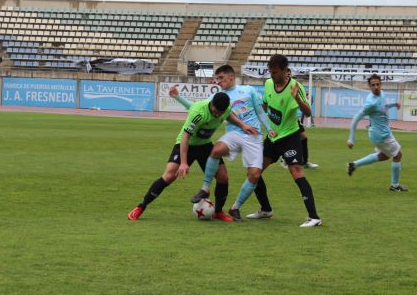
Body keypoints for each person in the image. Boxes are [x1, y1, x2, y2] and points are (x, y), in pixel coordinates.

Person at [172, 64, 276, 221]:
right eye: (216, 79)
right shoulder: (218, 97)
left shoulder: (248, 90)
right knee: (216, 150)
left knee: (254, 175)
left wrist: (269, 128)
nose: (218, 81)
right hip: (234, 134)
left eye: (220, 78)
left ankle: (235, 208)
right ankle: (205, 188)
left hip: (253, 135)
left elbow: (260, 111)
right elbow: (194, 107)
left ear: (231, 76)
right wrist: (177, 97)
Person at [127, 92, 254, 221]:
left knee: (223, 177)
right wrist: (183, 163)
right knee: (169, 175)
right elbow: (185, 137)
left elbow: (229, 116)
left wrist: (243, 125)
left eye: (220, 113)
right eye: (215, 111)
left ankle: (218, 212)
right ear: (212, 104)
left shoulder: (225, 109)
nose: (217, 115)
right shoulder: (199, 113)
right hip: (187, 144)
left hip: (205, 145)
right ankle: (141, 206)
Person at [250, 54, 323, 227]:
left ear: (285, 70)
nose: (272, 75)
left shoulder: (295, 86)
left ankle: (314, 217)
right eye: (270, 72)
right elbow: (266, 106)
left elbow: (308, 113)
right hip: (273, 137)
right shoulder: (268, 84)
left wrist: (297, 98)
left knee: (296, 171)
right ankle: (266, 209)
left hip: (290, 137)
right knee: (254, 171)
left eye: (275, 72)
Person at [346, 73, 408, 192]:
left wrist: (394, 105)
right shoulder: (370, 103)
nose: (376, 87)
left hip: (379, 132)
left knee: (383, 156)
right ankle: (394, 186)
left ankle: (353, 165)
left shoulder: (382, 94)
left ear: (381, 84)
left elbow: (384, 107)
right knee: (398, 155)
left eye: (377, 84)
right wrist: (351, 139)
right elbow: (356, 119)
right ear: (369, 86)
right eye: (373, 85)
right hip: (381, 134)